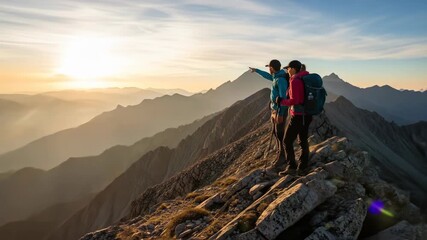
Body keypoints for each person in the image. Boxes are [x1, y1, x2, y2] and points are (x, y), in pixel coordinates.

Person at [249, 59, 288, 172]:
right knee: (276, 133)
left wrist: (280, 114)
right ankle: (280, 156)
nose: (268, 69)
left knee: (279, 134)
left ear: (272, 68)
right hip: (275, 110)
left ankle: (282, 158)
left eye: (269, 67)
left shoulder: (280, 80)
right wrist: (256, 70)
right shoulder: (276, 76)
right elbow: (267, 76)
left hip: (279, 111)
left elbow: (283, 99)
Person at [277, 60, 312, 175]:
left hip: (298, 115)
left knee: (287, 141)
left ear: (293, 68)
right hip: (307, 114)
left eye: (288, 68)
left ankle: (292, 167)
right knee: (303, 140)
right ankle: (303, 167)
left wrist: (282, 101)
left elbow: (296, 100)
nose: (287, 70)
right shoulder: (303, 77)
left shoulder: (295, 80)